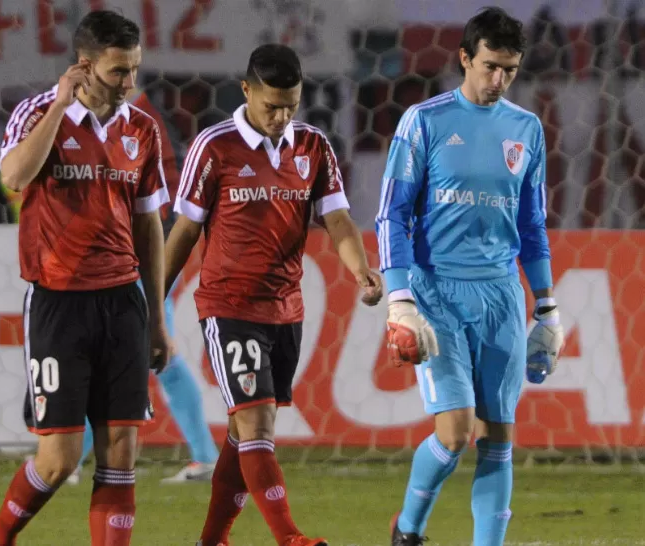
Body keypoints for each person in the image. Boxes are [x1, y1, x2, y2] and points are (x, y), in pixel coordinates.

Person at [164, 44, 383, 546]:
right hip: (228, 305)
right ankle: (290, 538)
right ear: (246, 91)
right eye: (271, 106)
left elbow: (337, 218)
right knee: (257, 421)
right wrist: (153, 300)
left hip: (286, 307)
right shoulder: (214, 147)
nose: (282, 117)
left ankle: (211, 540)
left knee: (244, 434)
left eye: (291, 105)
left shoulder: (312, 146)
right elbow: (183, 231)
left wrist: (360, 271)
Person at [0, 10, 173, 546]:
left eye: (134, 69)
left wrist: (156, 317)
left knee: (121, 452)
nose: (130, 83)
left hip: (123, 302)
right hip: (59, 302)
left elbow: (149, 223)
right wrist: (61, 106)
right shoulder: (37, 112)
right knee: (60, 459)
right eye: (117, 72)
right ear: (84, 67)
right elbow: (14, 177)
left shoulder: (142, 130)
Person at [375, 8, 564, 546]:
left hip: (502, 295)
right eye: (489, 67)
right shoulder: (425, 121)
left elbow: (531, 224)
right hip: (436, 293)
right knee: (455, 432)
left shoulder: (525, 128)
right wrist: (400, 298)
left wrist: (547, 306)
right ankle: (408, 528)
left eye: (509, 70)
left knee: (499, 435)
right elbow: (393, 214)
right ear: (464, 58)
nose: (498, 80)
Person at [66, 89, 218, 486]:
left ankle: (68, 458)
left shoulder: (137, 120)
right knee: (144, 356)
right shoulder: (137, 119)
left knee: (141, 354)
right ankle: (204, 455)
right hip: (136, 253)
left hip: (144, 255)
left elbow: (150, 202)